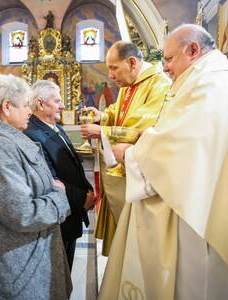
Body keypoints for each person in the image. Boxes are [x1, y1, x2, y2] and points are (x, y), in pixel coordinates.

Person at [101, 24, 228, 300]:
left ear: (193, 50)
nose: (165, 68)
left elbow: (178, 146)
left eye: (170, 59)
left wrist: (131, 154)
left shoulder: (212, 86)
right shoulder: (225, 80)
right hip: (216, 199)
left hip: (203, 216)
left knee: (200, 283)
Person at [0, 74, 72, 300]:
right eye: (25, 105)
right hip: (17, 270)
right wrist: (60, 196)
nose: (30, 111)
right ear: (7, 107)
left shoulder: (7, 141)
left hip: (29, 260)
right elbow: (23, 213)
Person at [80, 41, 171, 255]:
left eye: (113, 68)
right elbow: (119, 111)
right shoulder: (129, 84)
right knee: (122, 232)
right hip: (120, 170)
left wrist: (102, 131)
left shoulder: (158, 84)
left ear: (131, 62)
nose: (110, 75)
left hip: (138, 173)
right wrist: (102, 116)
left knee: (136, 236)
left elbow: (143, 127)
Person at [24, 80, 96, 270]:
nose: (63, 105)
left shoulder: (57, 127)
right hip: (58, 219)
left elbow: (72, 165)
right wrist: (82, 198)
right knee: (57, 276)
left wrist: (86, 189)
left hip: (70, 215)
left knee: (65, 271)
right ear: (40, 104)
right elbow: (48, 178)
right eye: (57, 101)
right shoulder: (32, 134)